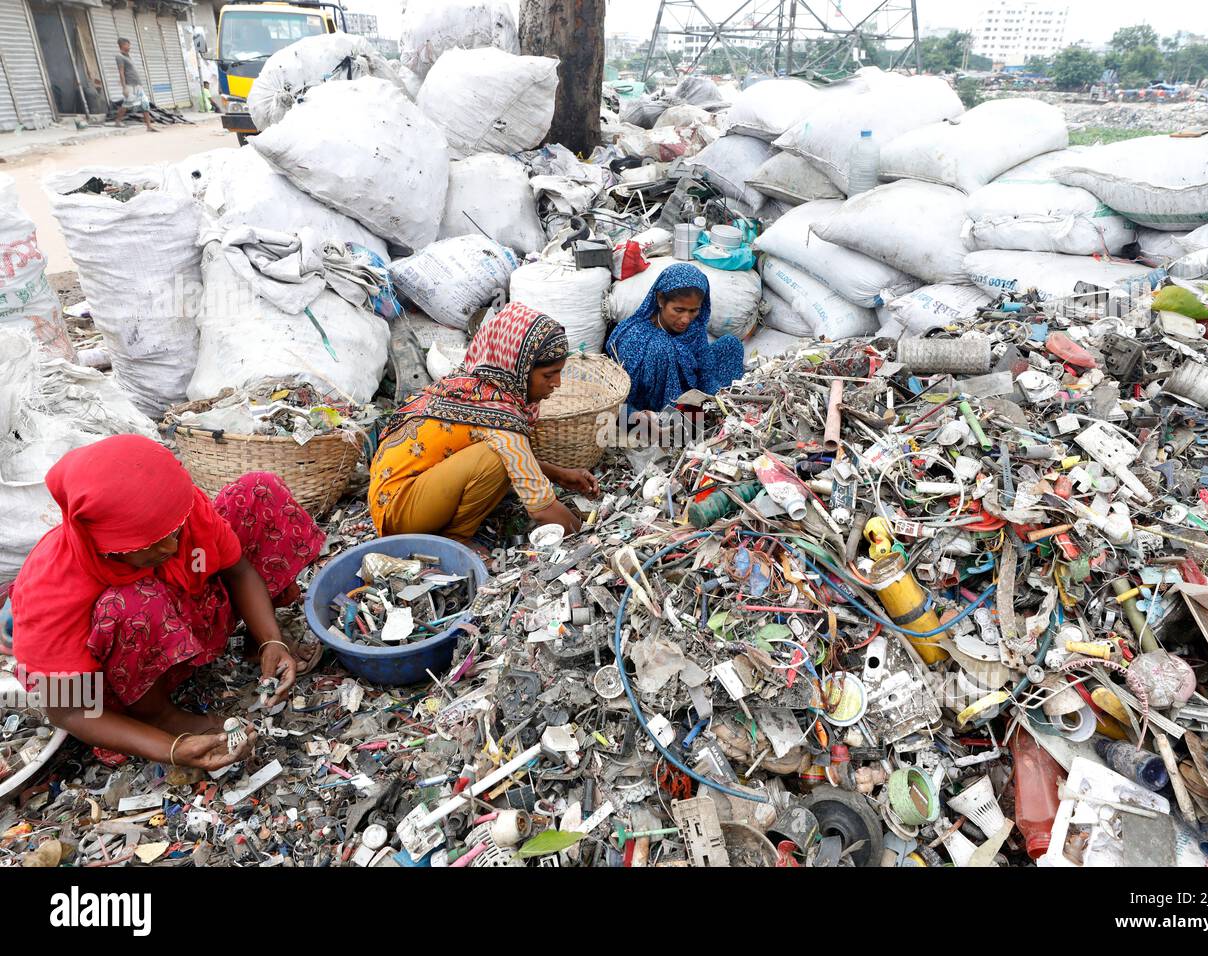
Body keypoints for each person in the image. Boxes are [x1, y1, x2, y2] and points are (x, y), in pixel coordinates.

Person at [10, 436, 324, 771]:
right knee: (133, 600)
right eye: (157, 541)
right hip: (128, 674)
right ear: (111, 545)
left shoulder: (180, 515)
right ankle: (160, 716)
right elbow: (66, 709)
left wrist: (269, 639)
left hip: (195, 614)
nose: (174, 545)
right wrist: (171, 749)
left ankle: (256, 647)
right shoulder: (51, 586)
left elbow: (238, 570)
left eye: (176, 530)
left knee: (258, 491)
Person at [368, 303, 599, 545]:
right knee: (496, 458)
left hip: (392, 498)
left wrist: (560, 475)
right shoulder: (500, 417)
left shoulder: (474, 386)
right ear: (518, 369)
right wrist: (587, 536)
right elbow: (541, 508)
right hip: (399, 514)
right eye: (549, 375)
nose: (557, 383)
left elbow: (515, 457)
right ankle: (455, 540)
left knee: (500, 456)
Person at [606, 263, 744, 420]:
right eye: (678, 310)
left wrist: (718, 396)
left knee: (731, 344)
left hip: (690, 392)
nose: (686, 319)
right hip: (651, 408)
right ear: (660, 300)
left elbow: (705, 370)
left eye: (693, 311)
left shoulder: (694, 328)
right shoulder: (636, 336)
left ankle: (714, 412)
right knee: (661, 347)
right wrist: (637, 416)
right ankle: (676, 420)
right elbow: (620, 395)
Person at [113, 38, 157, 133]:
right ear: (122, 45)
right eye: (128, 45)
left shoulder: (128, 56)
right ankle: (118, 121)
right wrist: (124, 87)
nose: (129, 47)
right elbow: (121, 72)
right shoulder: (119, 57)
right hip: (130, 85)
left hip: (137, 85)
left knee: (145, 103)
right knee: (126, 104)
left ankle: (149, 126)